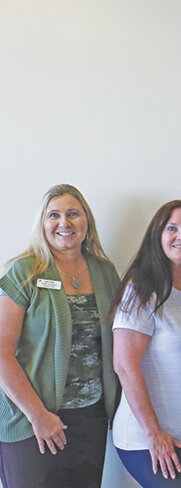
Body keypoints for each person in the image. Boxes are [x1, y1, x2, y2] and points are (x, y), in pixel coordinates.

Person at [0, 184, 120, 488]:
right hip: (32, 422)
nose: (64, 223)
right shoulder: (24, 272)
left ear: (87, 222)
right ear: (42, 224)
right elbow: (2, 353)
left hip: (90, 420)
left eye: (73, 214)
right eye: (54, 215)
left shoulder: (105, 271)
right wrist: (38, 416)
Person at [110, 200, 181, 488]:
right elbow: (124, 366)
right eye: (171, 228)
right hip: (153, 439)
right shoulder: (142, 288)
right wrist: (154, 434)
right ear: (157, 235)